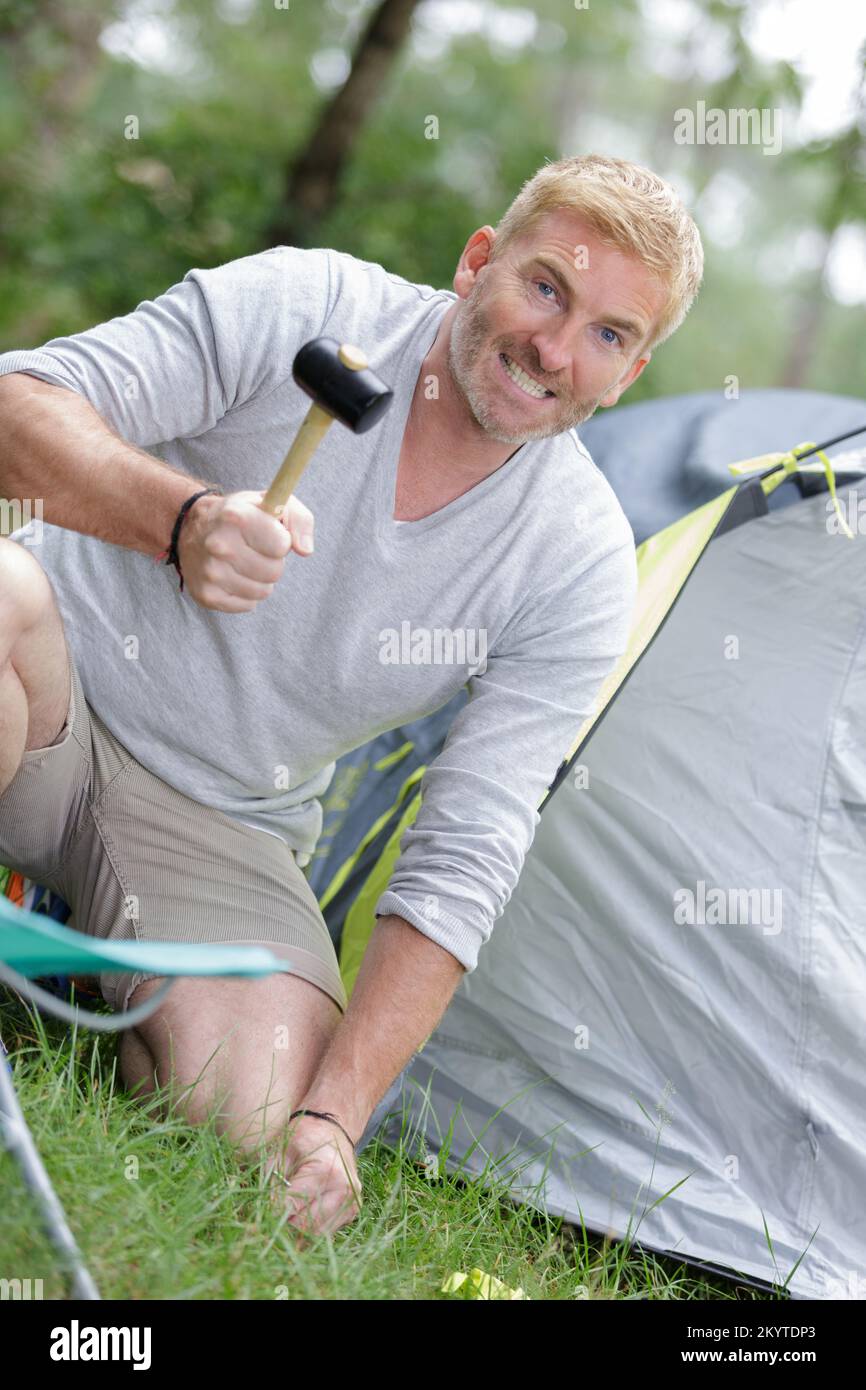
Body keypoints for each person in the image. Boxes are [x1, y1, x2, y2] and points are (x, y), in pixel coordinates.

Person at [0, 153, 703, 1238]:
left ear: (630, 371)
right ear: (478, 262)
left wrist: (332, 1115)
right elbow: (17, 406)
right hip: (44, 690)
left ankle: (77, 934)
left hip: (223, 821)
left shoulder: (576, 559)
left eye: (607, 334)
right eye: (545, 287)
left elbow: (467, 845)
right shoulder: (310, 303)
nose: (554, 351)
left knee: (256, 1136)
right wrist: (178, 520)